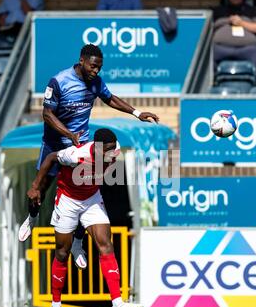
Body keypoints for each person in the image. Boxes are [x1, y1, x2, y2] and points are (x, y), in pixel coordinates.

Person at [18, 43, 159, 270]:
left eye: (100, 68)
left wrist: (137, 113)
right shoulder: (59, 81)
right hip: (55, 143)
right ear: (81, 61)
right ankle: (32, 217)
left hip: (80, 144)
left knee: (85, 193)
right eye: (93, 66)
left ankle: (77, 242)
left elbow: (110, 98)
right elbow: (46, 114)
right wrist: (67, 133)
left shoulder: (95, 82)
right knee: (39, 190)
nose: (96, 71)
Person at [27, 128, 143, 307]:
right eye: (107, 150)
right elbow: (50, 158)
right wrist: (36, 186)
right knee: (62, 253)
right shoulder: (75, 154)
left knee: (106, 244)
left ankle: (117, 302)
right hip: (68, 200)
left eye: (113, 149)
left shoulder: (114, 152)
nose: (112, 153)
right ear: (96, 148)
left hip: (91, 199)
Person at [213, 0, 256, 72]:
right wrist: (228, 20)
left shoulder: (252, 11)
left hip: (247, 48)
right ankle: (213, 82)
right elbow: (209, 28)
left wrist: (241, 22)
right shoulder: (218, 11)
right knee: (207, 54)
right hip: (221, 48)